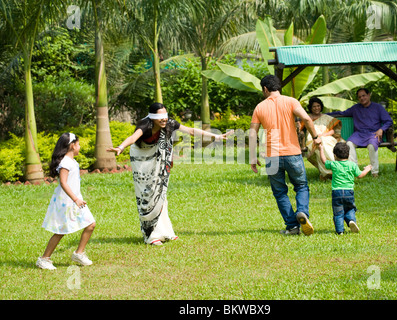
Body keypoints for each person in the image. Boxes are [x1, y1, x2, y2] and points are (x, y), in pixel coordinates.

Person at [107, 102, 231, 245]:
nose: (164, 119)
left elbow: (190, 131)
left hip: (158, 158)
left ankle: (165, 232)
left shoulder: (169, 123)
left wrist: (216, 136)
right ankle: (151, 236)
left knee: (161, 194)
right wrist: (121, 147)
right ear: (152, 117)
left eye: (165, 116)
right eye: (160, 117)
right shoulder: (145, 125)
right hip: (142, 159)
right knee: (147, 194)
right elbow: (134, 138)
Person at [249, 75, 321, 236]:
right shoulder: (291, 102)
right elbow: (307, 119)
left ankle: (292, 226)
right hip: (293, 153)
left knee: (280, 191)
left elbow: (252, 133)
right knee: (301, 186)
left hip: (271, 156)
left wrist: (253, 157)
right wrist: (316, 137)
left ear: (265, 89)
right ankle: (302, 212)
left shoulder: (260, 107)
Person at [37, 133, 96, 270]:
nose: (80, 147)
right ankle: (44, 259)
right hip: (67, 202)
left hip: (76, 200)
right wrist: (75, 199)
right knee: (61, 231)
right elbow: (63, 183)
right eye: (79, 144)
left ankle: (78, 253)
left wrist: (77, 198)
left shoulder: (72, 161)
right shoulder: (65, 163)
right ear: (72, 145)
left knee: (91, 224)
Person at [327, 88, 393, 177]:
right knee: (349, 143)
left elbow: (388, 121)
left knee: (372, 146)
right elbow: (342, 113)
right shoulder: (355, 108)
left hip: (373, 134)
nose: (362, 98)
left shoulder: (378, 107)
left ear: (369, 95)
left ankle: (374, 172)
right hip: (359, 134)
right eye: (359, 97)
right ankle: (354, 170)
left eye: (364, 96)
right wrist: (323, 114)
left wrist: (381, 129)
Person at [319, 142, 372, 235]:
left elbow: (323, 161)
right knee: (350, 209)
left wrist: (321, 149)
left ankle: (340, 231)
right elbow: (360, 175)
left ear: (335, 156)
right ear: (348, 155)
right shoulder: (352, 165)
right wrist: (367, 169)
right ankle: (351, 220)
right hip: (349, 192)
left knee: (338, 213)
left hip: (337, 193)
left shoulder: (334, 164)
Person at [298, 97, 343, 180]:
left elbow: (332, 131)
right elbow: (298, 129)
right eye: (314, 106)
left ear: (321, 106)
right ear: (310, 108)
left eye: (318, 106)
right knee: (320, 144)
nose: (316, 108)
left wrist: (323, 135)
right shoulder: (307, 118)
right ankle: (332, 170)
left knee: (324, 143)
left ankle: (329, 171)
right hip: (312, 140)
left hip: (327, 138)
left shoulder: (326, 117)